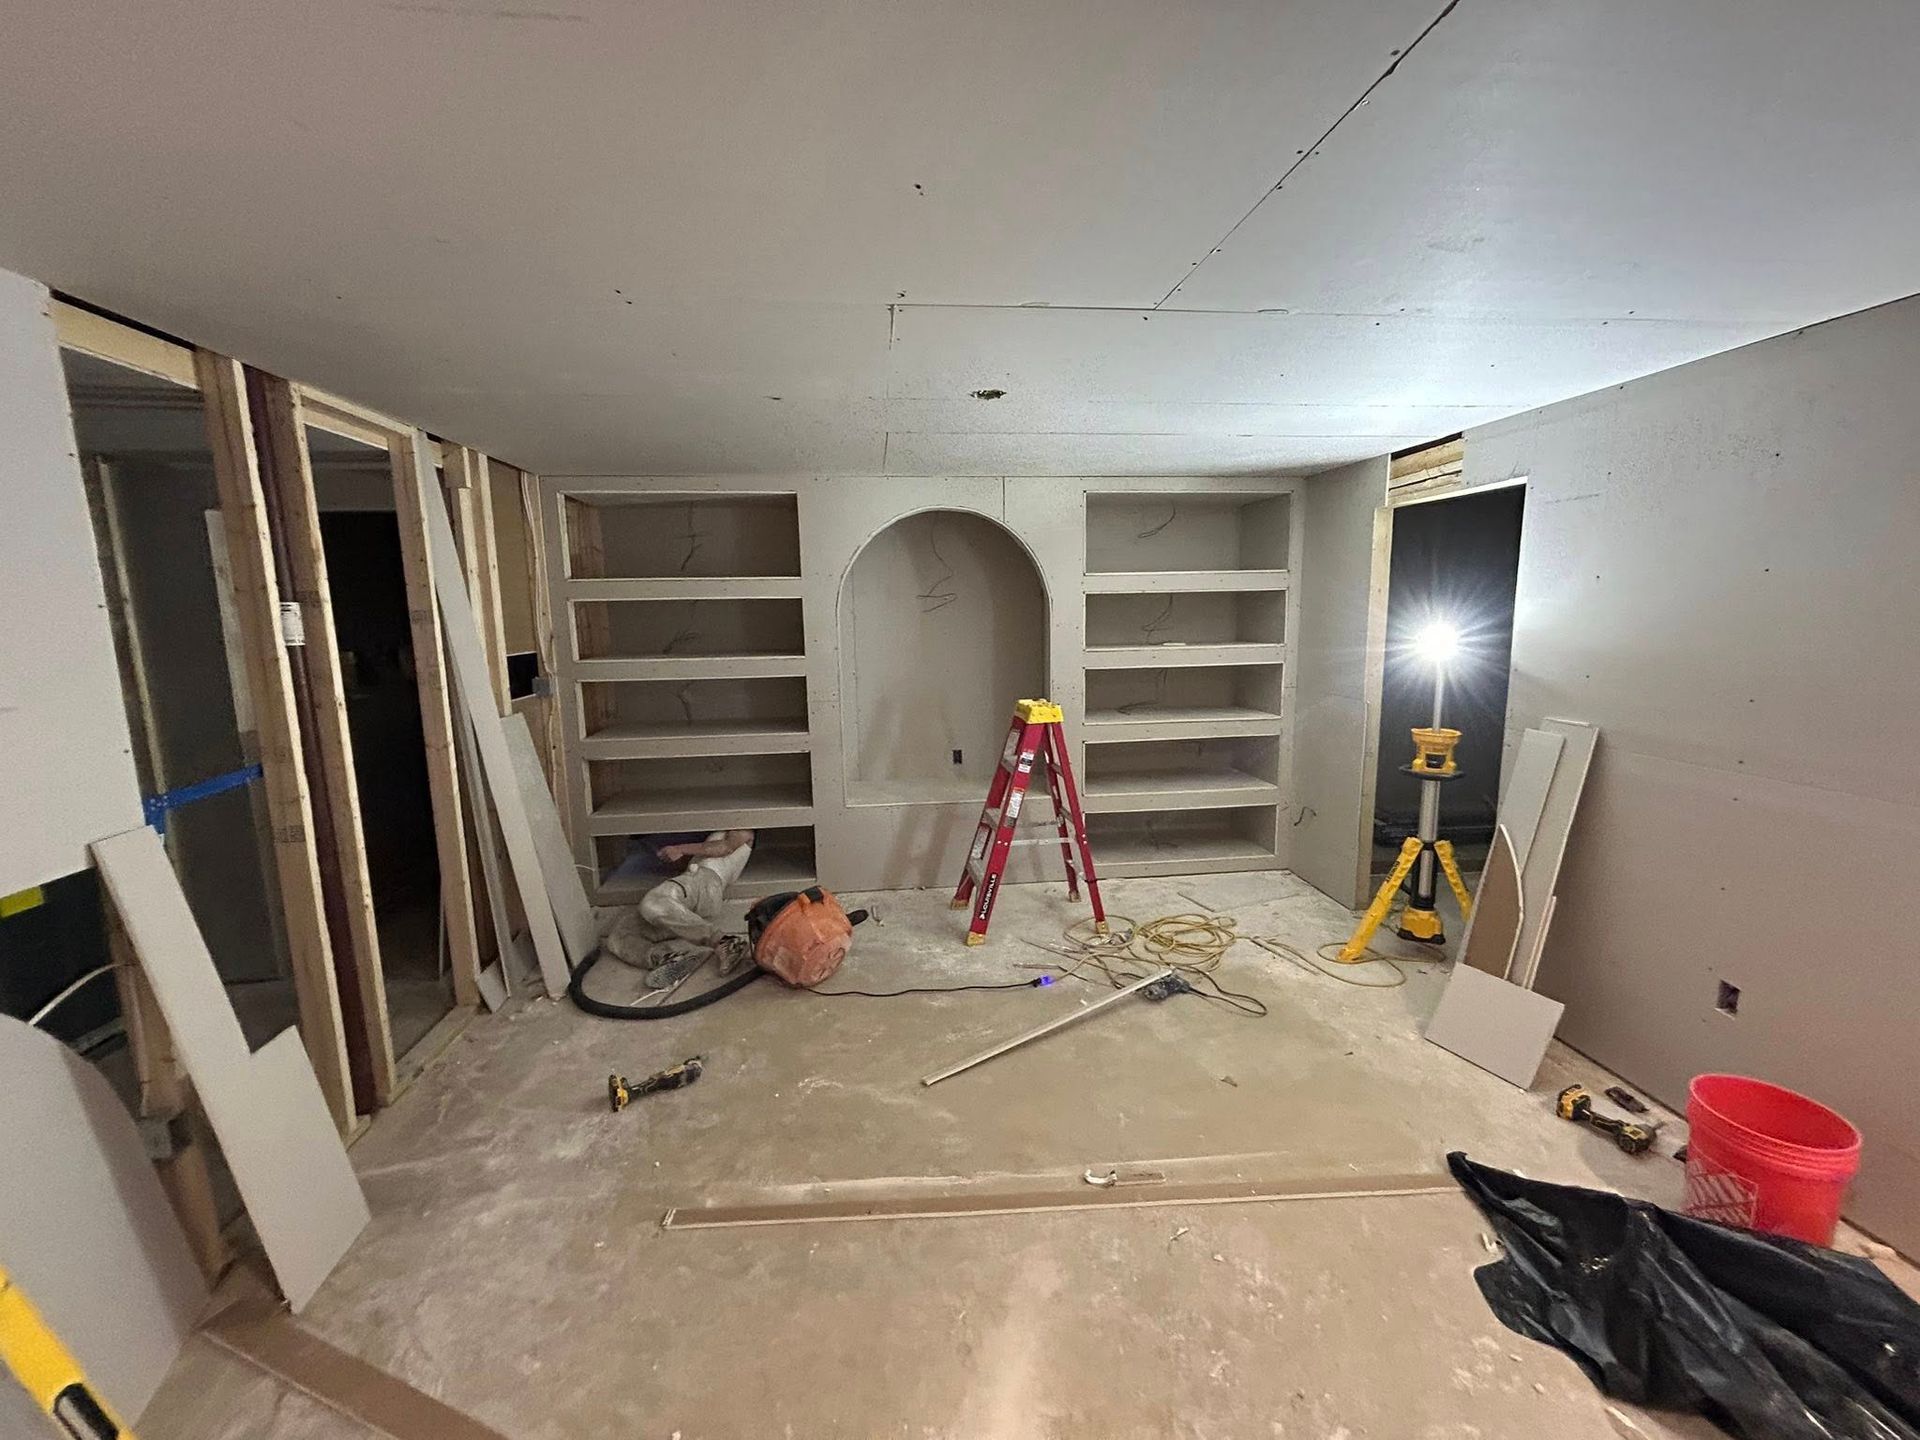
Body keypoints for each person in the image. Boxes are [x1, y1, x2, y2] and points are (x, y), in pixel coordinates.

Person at [602, 830, 754, 987]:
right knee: (621, 935)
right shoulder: (715, 829)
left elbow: (725, 847)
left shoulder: (743, 828)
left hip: (705, 881)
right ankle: (668, 959)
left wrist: (679, 849)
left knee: (654, 902)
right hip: (692, 890)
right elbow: (704, 851)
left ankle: (725, 941)